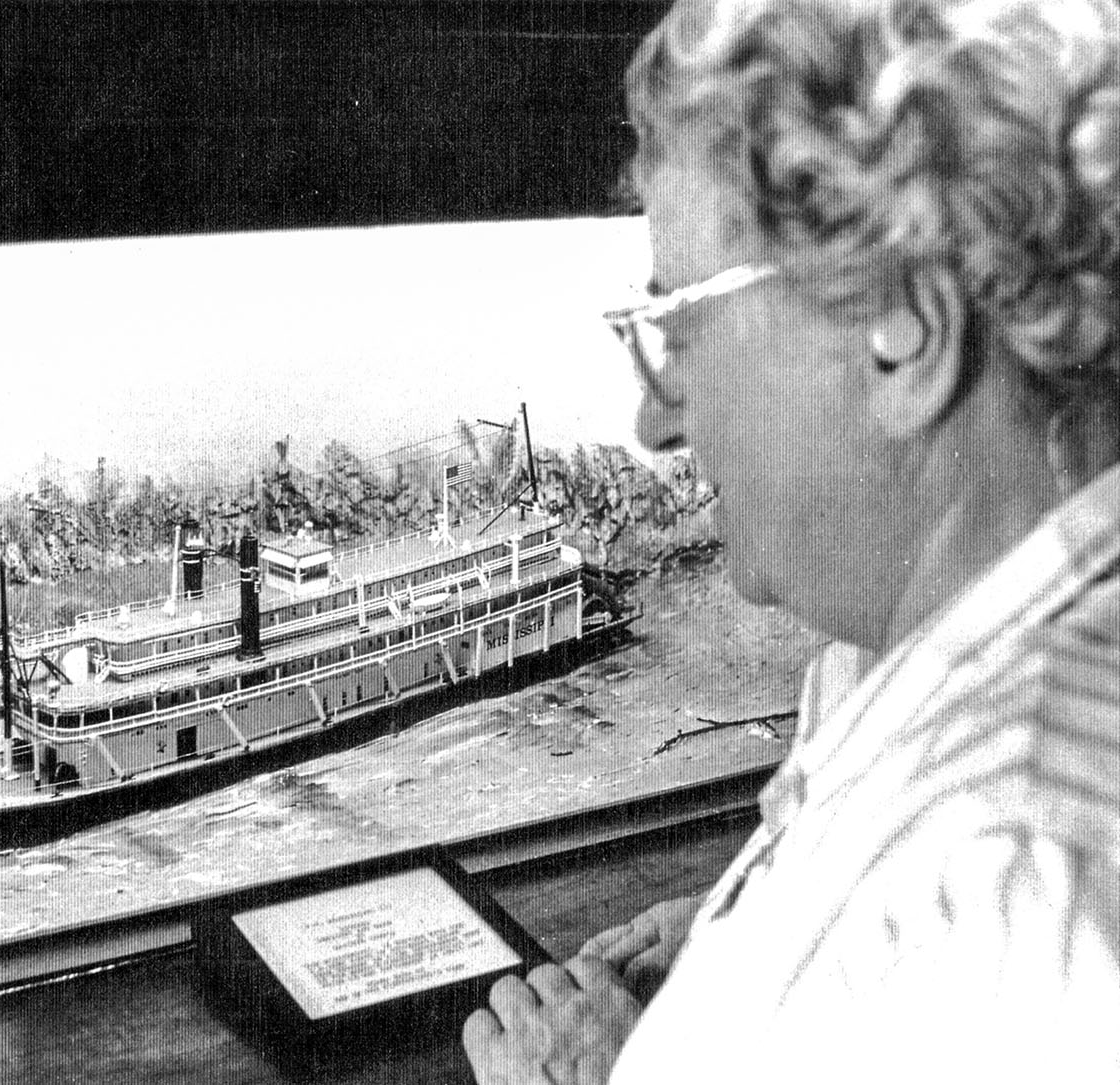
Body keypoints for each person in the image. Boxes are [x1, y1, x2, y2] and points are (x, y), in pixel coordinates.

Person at [464, 0, 1120, 1080]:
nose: (657, 418)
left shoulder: (997, 890)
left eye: (680, 321)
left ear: (903, 333)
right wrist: (757, 947)